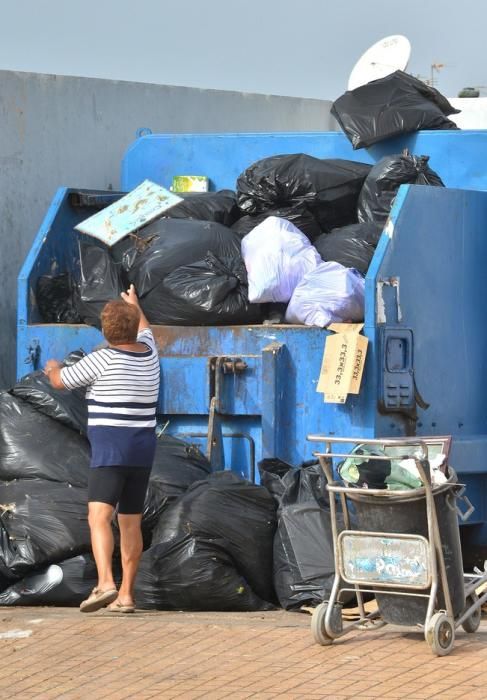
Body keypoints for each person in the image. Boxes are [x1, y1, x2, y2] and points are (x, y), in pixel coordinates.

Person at [44, 284, 160, 613]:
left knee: (99, 516)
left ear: (106, 331)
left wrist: (52, 366)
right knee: (130, 522)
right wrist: (135, 305)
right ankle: (126, 595)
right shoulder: (150, 353)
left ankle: (105, 582)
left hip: (112, 449)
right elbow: (147, 330)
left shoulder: (101, 359)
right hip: (142, 448)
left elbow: (60, 382)